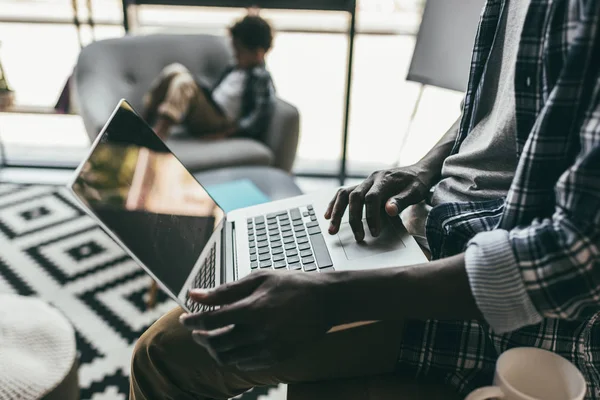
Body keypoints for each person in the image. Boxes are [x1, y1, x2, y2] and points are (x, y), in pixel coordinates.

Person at [129, 0, 600, 399]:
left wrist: (334, 298)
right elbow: (489, 109)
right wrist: (424, 166)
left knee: (162, 353)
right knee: (248, 258)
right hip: (433, 216)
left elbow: (571, 259)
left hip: (508, 295)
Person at [142, 14, 275, 141]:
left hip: (219, 123)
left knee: (184, 83)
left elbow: (258, 116)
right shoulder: (234, 68)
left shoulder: (261, 78)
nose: (235, 54)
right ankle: (143, 119)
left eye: (239, 51)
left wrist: (227, 133)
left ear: (258, 53)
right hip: (210, 110)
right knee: (176, 70)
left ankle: (160, 133)